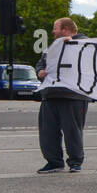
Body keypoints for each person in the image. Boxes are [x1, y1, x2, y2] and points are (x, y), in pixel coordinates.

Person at [35, 18, 88, 174]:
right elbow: (40, 64)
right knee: (47, 132)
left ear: (65, 29)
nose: (52, 31)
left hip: (73, 96)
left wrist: (73, 44)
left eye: (55, 28)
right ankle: (54, 162)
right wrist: (40, 72)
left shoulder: (85, 44)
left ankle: (75, 162)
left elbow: (90, 61)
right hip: (50, 95)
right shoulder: (51, 47)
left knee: (72, 131)